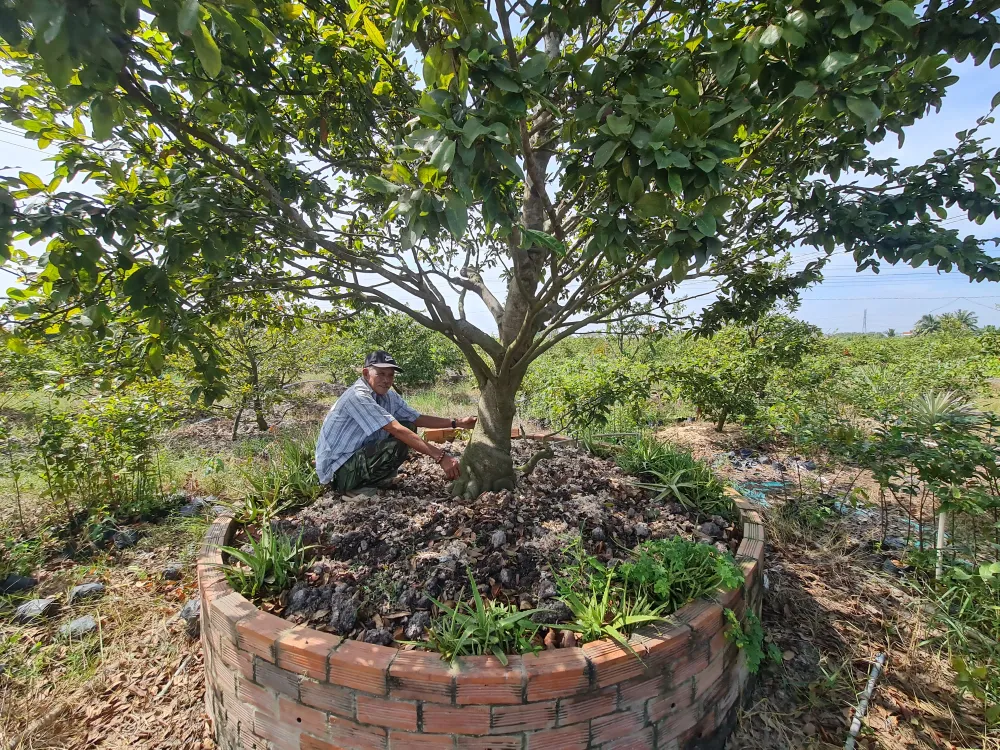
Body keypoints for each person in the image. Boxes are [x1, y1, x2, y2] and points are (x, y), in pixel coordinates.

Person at [315, 350, 477, 493]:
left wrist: (458, 423)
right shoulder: (358, 396)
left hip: (356, 459)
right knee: (401, 436)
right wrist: (441, 457)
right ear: (366, 374)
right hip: (338, 473)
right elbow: (395, 429)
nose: (386, 380)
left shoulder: (388, 396)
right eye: (381, 374)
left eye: (390, 375)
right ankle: (354, 487)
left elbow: (416, 418)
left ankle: (373, 480)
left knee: (409, 425)